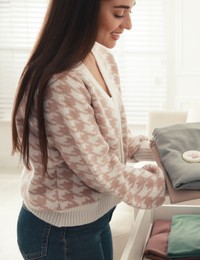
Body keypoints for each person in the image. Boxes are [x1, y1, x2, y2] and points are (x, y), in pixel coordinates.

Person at [11, 0, 166, 259]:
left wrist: (173, 152)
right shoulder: (62, 82)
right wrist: (176, 184)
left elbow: (114, 138)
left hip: (95, 220)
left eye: (130, 11)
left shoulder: (103, 58)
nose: (128, 24)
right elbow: (101, 169)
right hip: (60, 232)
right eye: (119, 13)